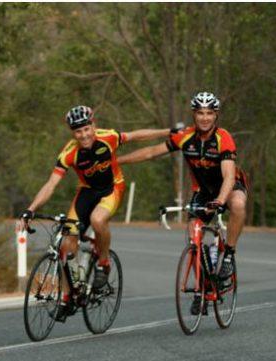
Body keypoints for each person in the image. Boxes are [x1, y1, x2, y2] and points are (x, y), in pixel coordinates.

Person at [20, 105, 172, 320]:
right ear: (73, 133)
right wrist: (31, 209)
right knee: (65, 245)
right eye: (78, 131)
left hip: (112, 188)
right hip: (86, 193)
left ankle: (104, 263)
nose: (84, 135)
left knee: (97, 219)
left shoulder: (107, 137)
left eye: (87, 129)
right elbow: (50, 184)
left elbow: (137, 136)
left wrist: (167, 132)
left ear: (94, 125)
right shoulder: (69, 153)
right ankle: (67, 297)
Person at [117, 92, 248, 315]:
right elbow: (151, 152)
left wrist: (219, 200)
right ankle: (202, 288)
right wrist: (117, 161)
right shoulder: (185, 137)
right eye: (200, 113)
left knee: (237, 204)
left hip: (230, 187)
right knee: (194, 234)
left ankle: (228, 254)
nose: (204, 118)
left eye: (209, 113)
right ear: (194, 115)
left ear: (215, 115)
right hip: (203, 192)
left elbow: (228, 176)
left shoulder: (223, 138)